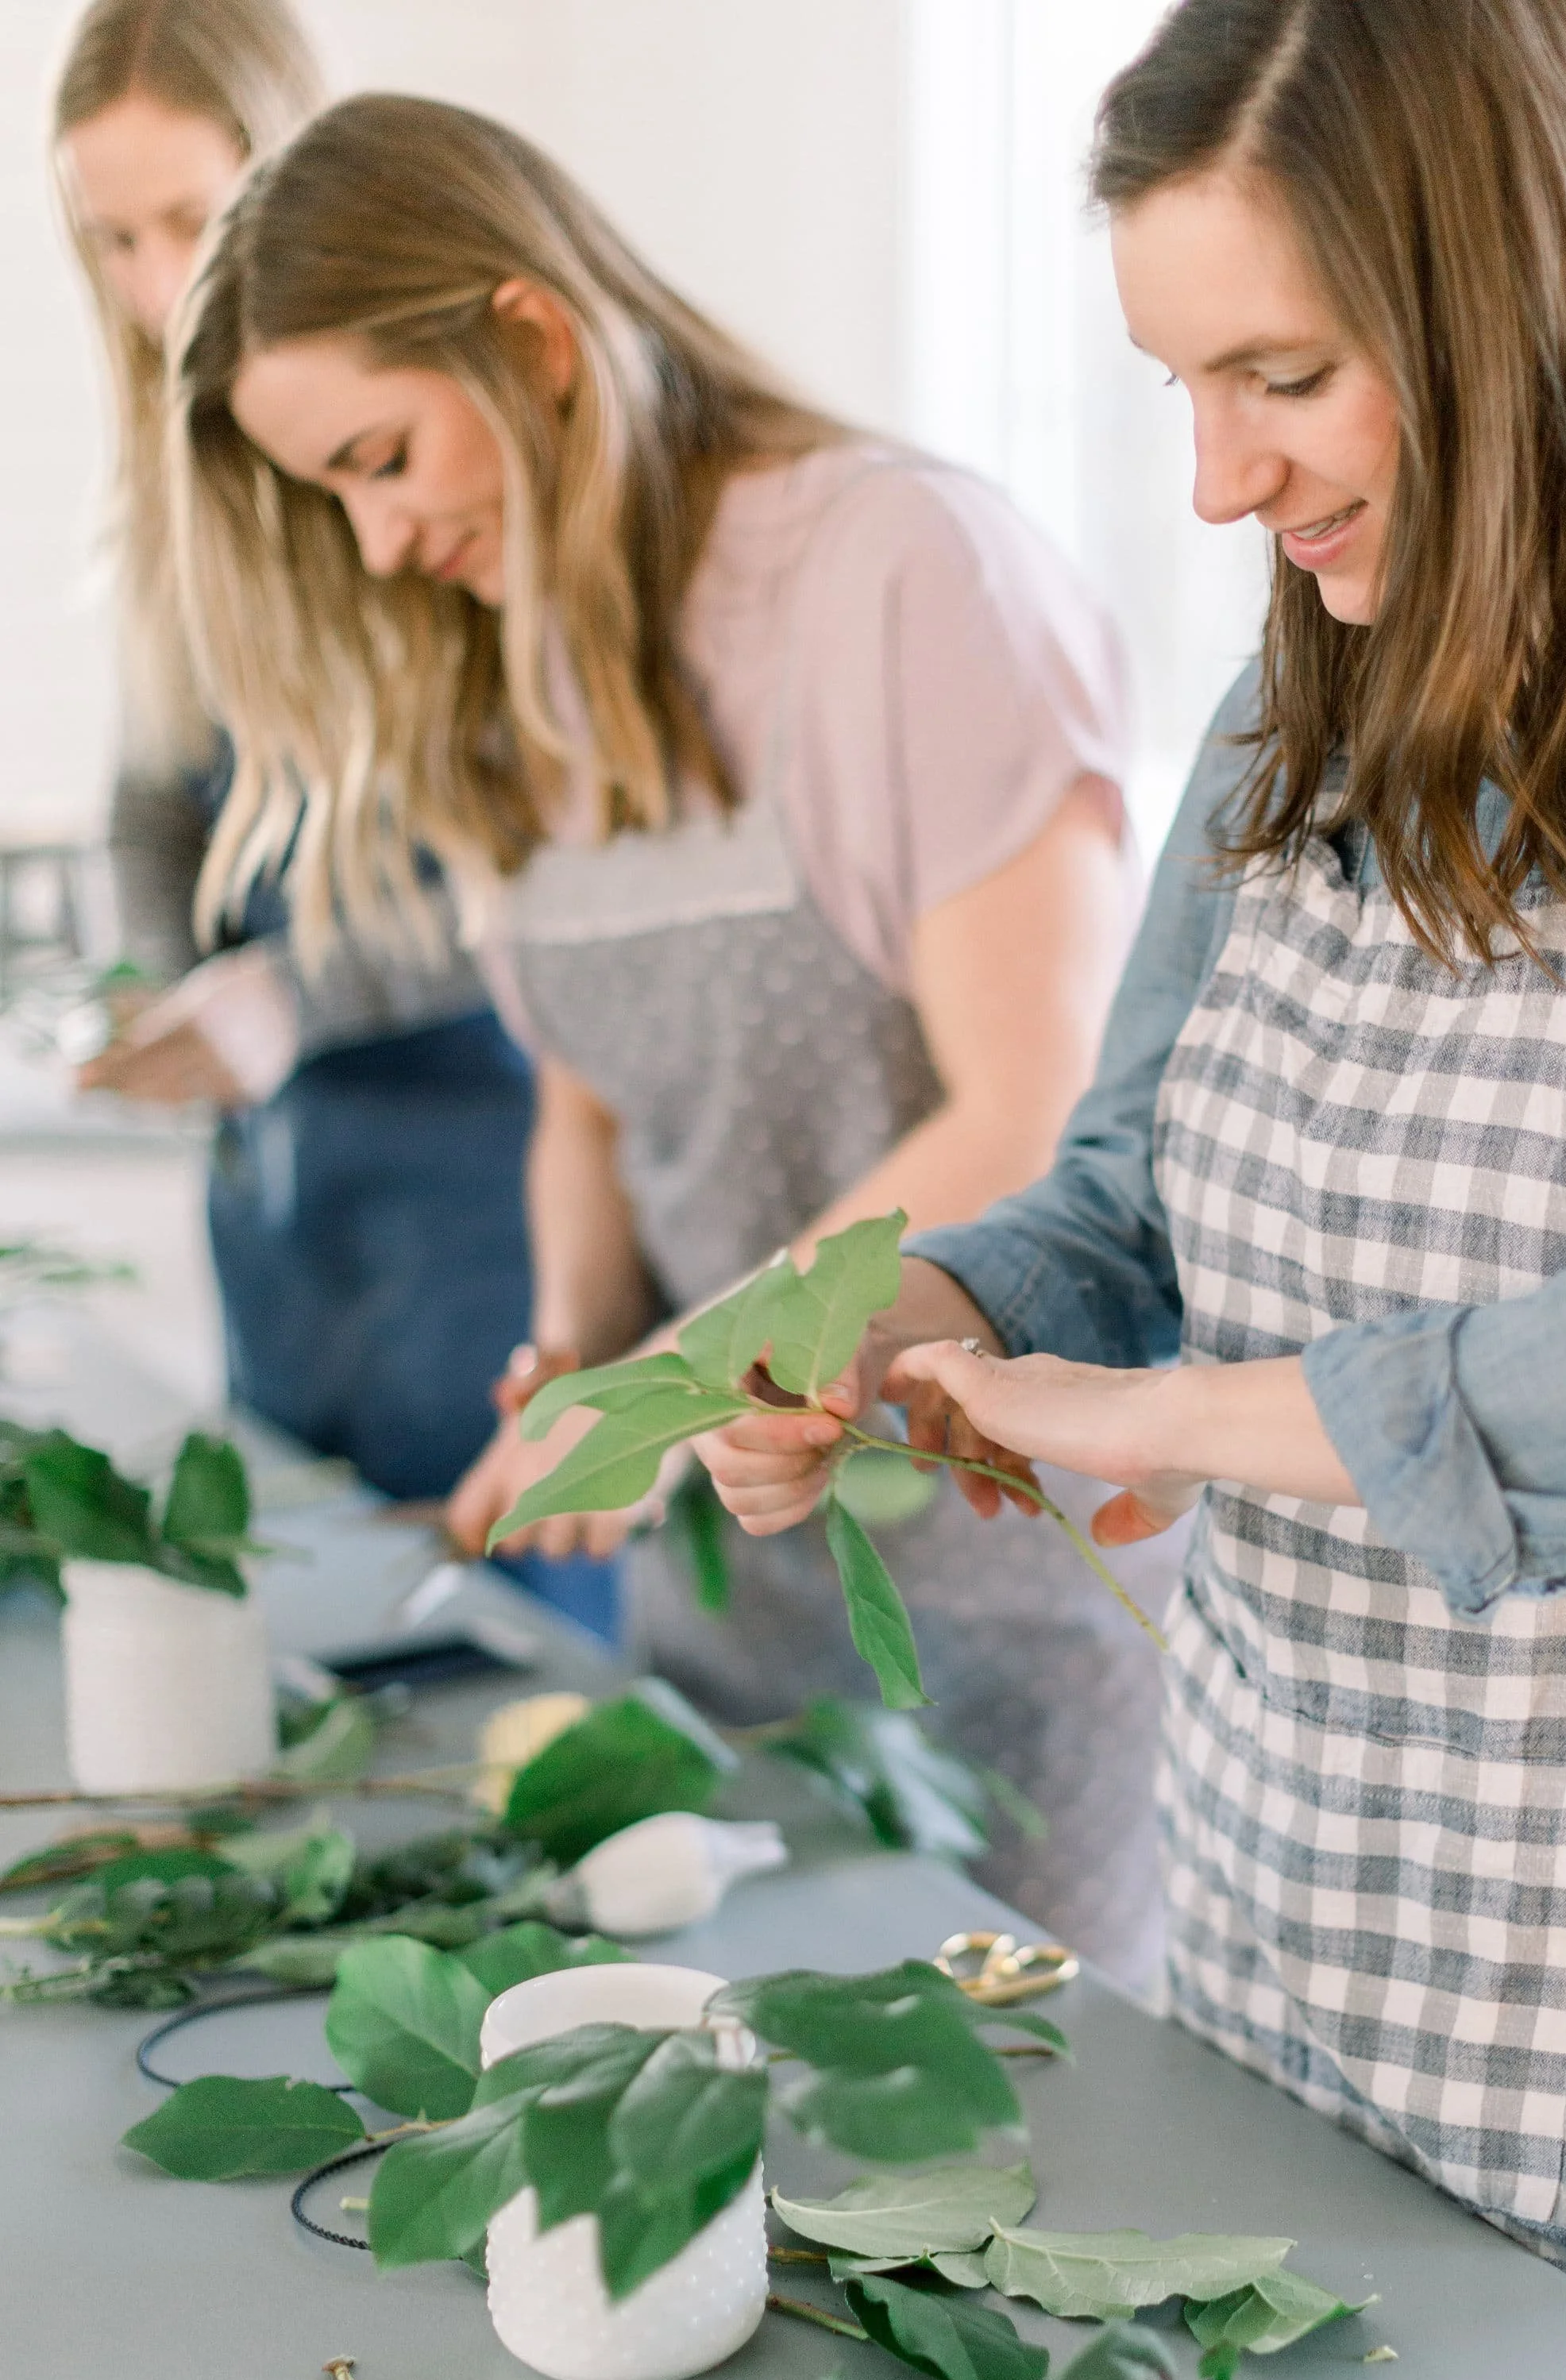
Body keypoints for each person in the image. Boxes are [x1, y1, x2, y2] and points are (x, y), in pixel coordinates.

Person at [705, 0, 1566, 2380]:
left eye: (1284, 378)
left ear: (1523, 312)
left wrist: (1155, 1408)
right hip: (1294, 1856)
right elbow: (1136, 1187)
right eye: (1176, 386)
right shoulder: (1296, 713)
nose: (1218, 485)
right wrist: (907, 1309)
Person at [166, 95, 1167, 1980]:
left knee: (1032, 2154)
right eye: (333, 498)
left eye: (383, 457)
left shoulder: (903, 574)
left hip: (1010, 1581)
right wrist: (580, 1357)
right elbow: (584, 1099)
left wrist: (663, 1397)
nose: (378, 544)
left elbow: (1033, 1108)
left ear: (533, 343)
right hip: (734, 1587)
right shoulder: (508, 665)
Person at [52, 0, 536, 1504]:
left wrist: (297, 990)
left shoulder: (442, 468)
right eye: (109, 241)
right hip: (283, 1191)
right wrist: (158, 978)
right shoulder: (168, 506)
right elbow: (151, 807)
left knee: (504, 1638)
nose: (152, 286)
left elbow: (553, 864)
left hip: (480, 1182)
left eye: (187, 222)